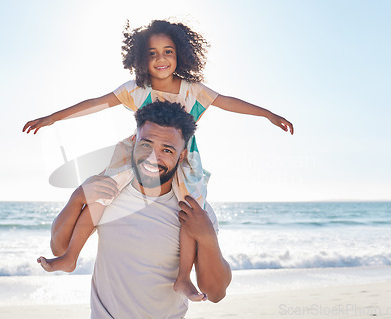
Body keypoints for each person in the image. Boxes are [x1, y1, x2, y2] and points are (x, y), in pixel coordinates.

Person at [23, 19, 293, 301]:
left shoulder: (194, 90)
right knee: (101, 190)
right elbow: (95, 103)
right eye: (152, 53)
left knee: (189, 208)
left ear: (180, 55)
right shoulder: (136, 89)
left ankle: (183, 278)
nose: (161, 59)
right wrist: (52, 118)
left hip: (182, 158)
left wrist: (268, 115)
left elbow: (228, 101)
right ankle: (70, 256)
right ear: (141, 58)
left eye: (168, 51)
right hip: (136, 152)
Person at [49, 101, 231, 318]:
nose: (153, 158)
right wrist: (78, 197)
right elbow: (59, 249)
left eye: (167, 149)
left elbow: (216, 292)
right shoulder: (109, 191)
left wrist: (208, 237)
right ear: (134, 142)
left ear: (181, 156)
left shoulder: (195, 211)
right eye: (146, 145)